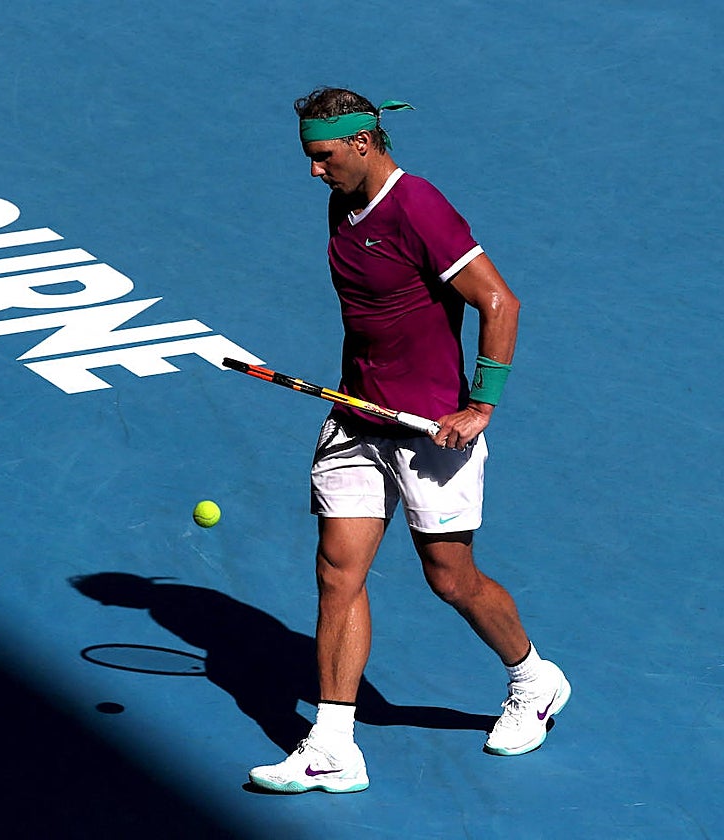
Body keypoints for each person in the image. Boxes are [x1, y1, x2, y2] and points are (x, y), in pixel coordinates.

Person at [248, 87, 570, 795]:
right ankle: (333, 745)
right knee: (338, 573)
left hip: (431, 433)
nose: (313, 171)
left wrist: (480, 405)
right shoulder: (342, 200)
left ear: (363, 143)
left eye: (322, 156)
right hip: (358, 419)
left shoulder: (418, 205)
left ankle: (533, 678)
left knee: (450, 577)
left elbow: (498, 301)